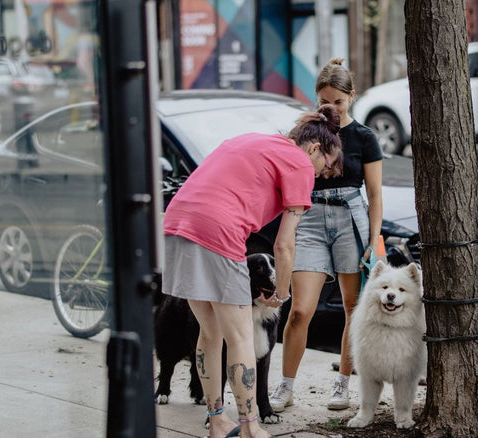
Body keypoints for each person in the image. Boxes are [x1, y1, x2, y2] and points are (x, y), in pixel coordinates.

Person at [161, 104, 343, 438]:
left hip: (176, 223)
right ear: (315, 148)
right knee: (242, 336)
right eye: (325, 166)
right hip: (218, 230)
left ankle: (218, 422)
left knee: (210, 332)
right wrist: (282, 293)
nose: (320, 174)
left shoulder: (254, 141)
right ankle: (250, 427)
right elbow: (284, 246)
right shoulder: (300, 163)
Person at [269, 58, 383, 412]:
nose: (331, 107)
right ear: (315, 98)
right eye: (324, 101)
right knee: (300, 309)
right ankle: (285, 386)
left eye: (338, 100)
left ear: (351, 96)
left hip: (351, 218)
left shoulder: (364, 137)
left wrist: (372, 240)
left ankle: (343, 383)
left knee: (352, 308)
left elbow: (375, 194)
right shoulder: (306, 132)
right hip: (311, 218)